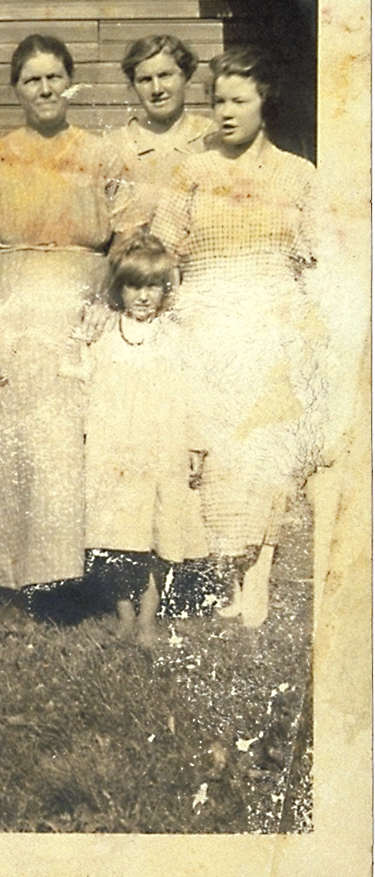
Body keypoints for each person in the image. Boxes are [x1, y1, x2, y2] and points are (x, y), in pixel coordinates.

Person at [151, 46, 323, 627]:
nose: (226, 111)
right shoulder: (192, 171)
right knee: (214, 455)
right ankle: (222, 578)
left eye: (238, 100)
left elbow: (317, 260)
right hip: (203, 324)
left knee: (263, 452)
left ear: (264, 101)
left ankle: (261, 580)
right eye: (218, 100)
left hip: (270, 324)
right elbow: (162, 253)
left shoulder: (299, 175)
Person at [0, 34, 116, 600]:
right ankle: (6, 570)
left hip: (80, 304)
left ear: (70, 82)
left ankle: (68, 574)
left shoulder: (100, 153)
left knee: (64, 440)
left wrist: (107, 301)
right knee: (9, 436)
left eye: (55, 76)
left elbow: (125, 234)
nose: (46, 88)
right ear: (16, 89)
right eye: (33, 79)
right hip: (11, 302)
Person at [82, 234, 208, 647]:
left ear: (165, 289)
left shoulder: (175, 337)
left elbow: (192, 395)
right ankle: (123, 615)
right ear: (119, 287)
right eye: (135, 285)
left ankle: (149, 620)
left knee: (156, 537)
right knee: (118, 536)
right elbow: (81, 385)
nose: (143, 296)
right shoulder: (102, 336)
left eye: (153, 286)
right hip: (114, 448)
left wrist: (194, 445)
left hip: (161, 449)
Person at [103, 34, 212, 238]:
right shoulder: (115, 146)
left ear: (186, 78)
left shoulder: (211, 138)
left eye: (165, 76)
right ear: (133, 86)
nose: (156, 89)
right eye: (145, 80)